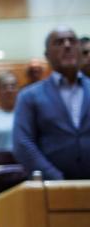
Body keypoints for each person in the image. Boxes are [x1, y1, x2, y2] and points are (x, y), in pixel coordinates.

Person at [13, 27, 90, 180]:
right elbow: (23, 143)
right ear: (47, 55)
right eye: (59, 42)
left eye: (72, 41)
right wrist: (55, 179)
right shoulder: (29, 96)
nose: (67, 45)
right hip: (51, 187)